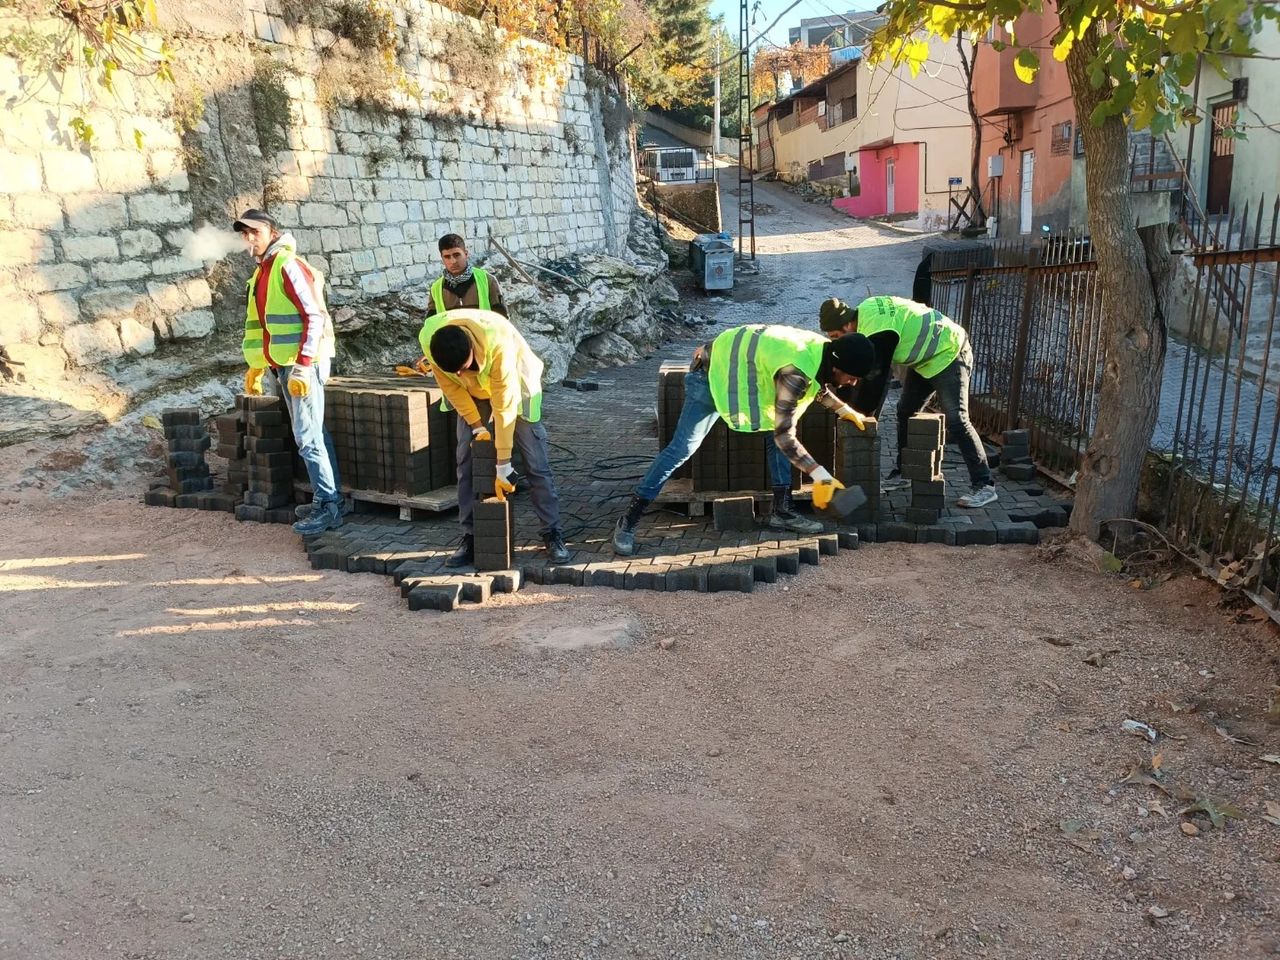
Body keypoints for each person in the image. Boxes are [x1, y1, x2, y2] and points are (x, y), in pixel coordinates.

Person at [612, 325, 875, 557]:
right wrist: (820, 475)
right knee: (682, 449)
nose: (852, 383)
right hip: (710, 377)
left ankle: (781, 511)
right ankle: (629, 521)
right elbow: (785, 435)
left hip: (731, 369)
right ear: (837, 367)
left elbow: (817, 385)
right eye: (851, 377)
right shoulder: (796, 372)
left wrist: (844, 410)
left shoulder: (820, 351)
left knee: (777, 436)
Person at [419, 307, 571, 566]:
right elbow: (453, 389)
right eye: (452, 371)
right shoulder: (430, 339)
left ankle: (551, 532)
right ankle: (470, 536)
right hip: (475, 392)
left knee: (535, 462)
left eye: (463, 367)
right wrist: (477, 426)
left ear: (470, 350)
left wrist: (503, 463)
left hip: (516, 385)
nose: (458, 374)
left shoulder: (497, 341)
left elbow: (504, 409)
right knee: (465, 461)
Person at [819, 295, 997, 508]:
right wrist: (845, 407)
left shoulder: (877, 332)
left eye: (837, 336)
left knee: (957, 419)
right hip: (925, 360)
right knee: (906, 411)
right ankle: (903, 473)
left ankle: (984, 484)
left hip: (949, 351)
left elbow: (876, 379)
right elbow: (858, 375)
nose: (838, 342)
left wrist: (861, 417)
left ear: (848, 324)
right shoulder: (865, 313)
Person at [234, 209, 344, 535]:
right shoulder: (261, 273)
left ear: (270, 230)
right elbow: (262, 327)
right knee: (313, 434)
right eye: (245, 234)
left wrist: (303, 364)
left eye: (255, 232)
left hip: (301, 366)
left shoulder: (287, 265)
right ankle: (330, 498)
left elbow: (314, 317)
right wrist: (256, 364)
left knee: (307, 439)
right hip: (283, 365)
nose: (249, 239)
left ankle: (329, 506)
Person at [426, 233, 508, 318]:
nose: (453, 261)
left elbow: (501, 319)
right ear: (442, 259)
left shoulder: (487, 280)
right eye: (447, 257)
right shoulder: (436, 289)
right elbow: (431, 323)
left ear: (466, 254)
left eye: (457, 255)